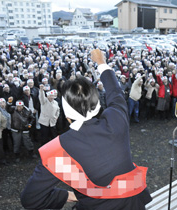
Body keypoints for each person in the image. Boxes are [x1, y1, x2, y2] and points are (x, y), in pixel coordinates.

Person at [21, 49, 152, 210]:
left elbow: (30, 199)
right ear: (97, 105)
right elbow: (115, 92)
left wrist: (66, 195)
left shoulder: (59, 148)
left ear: (67, 116)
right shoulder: (116, 119)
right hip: (134, 204)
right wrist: (101, 62)